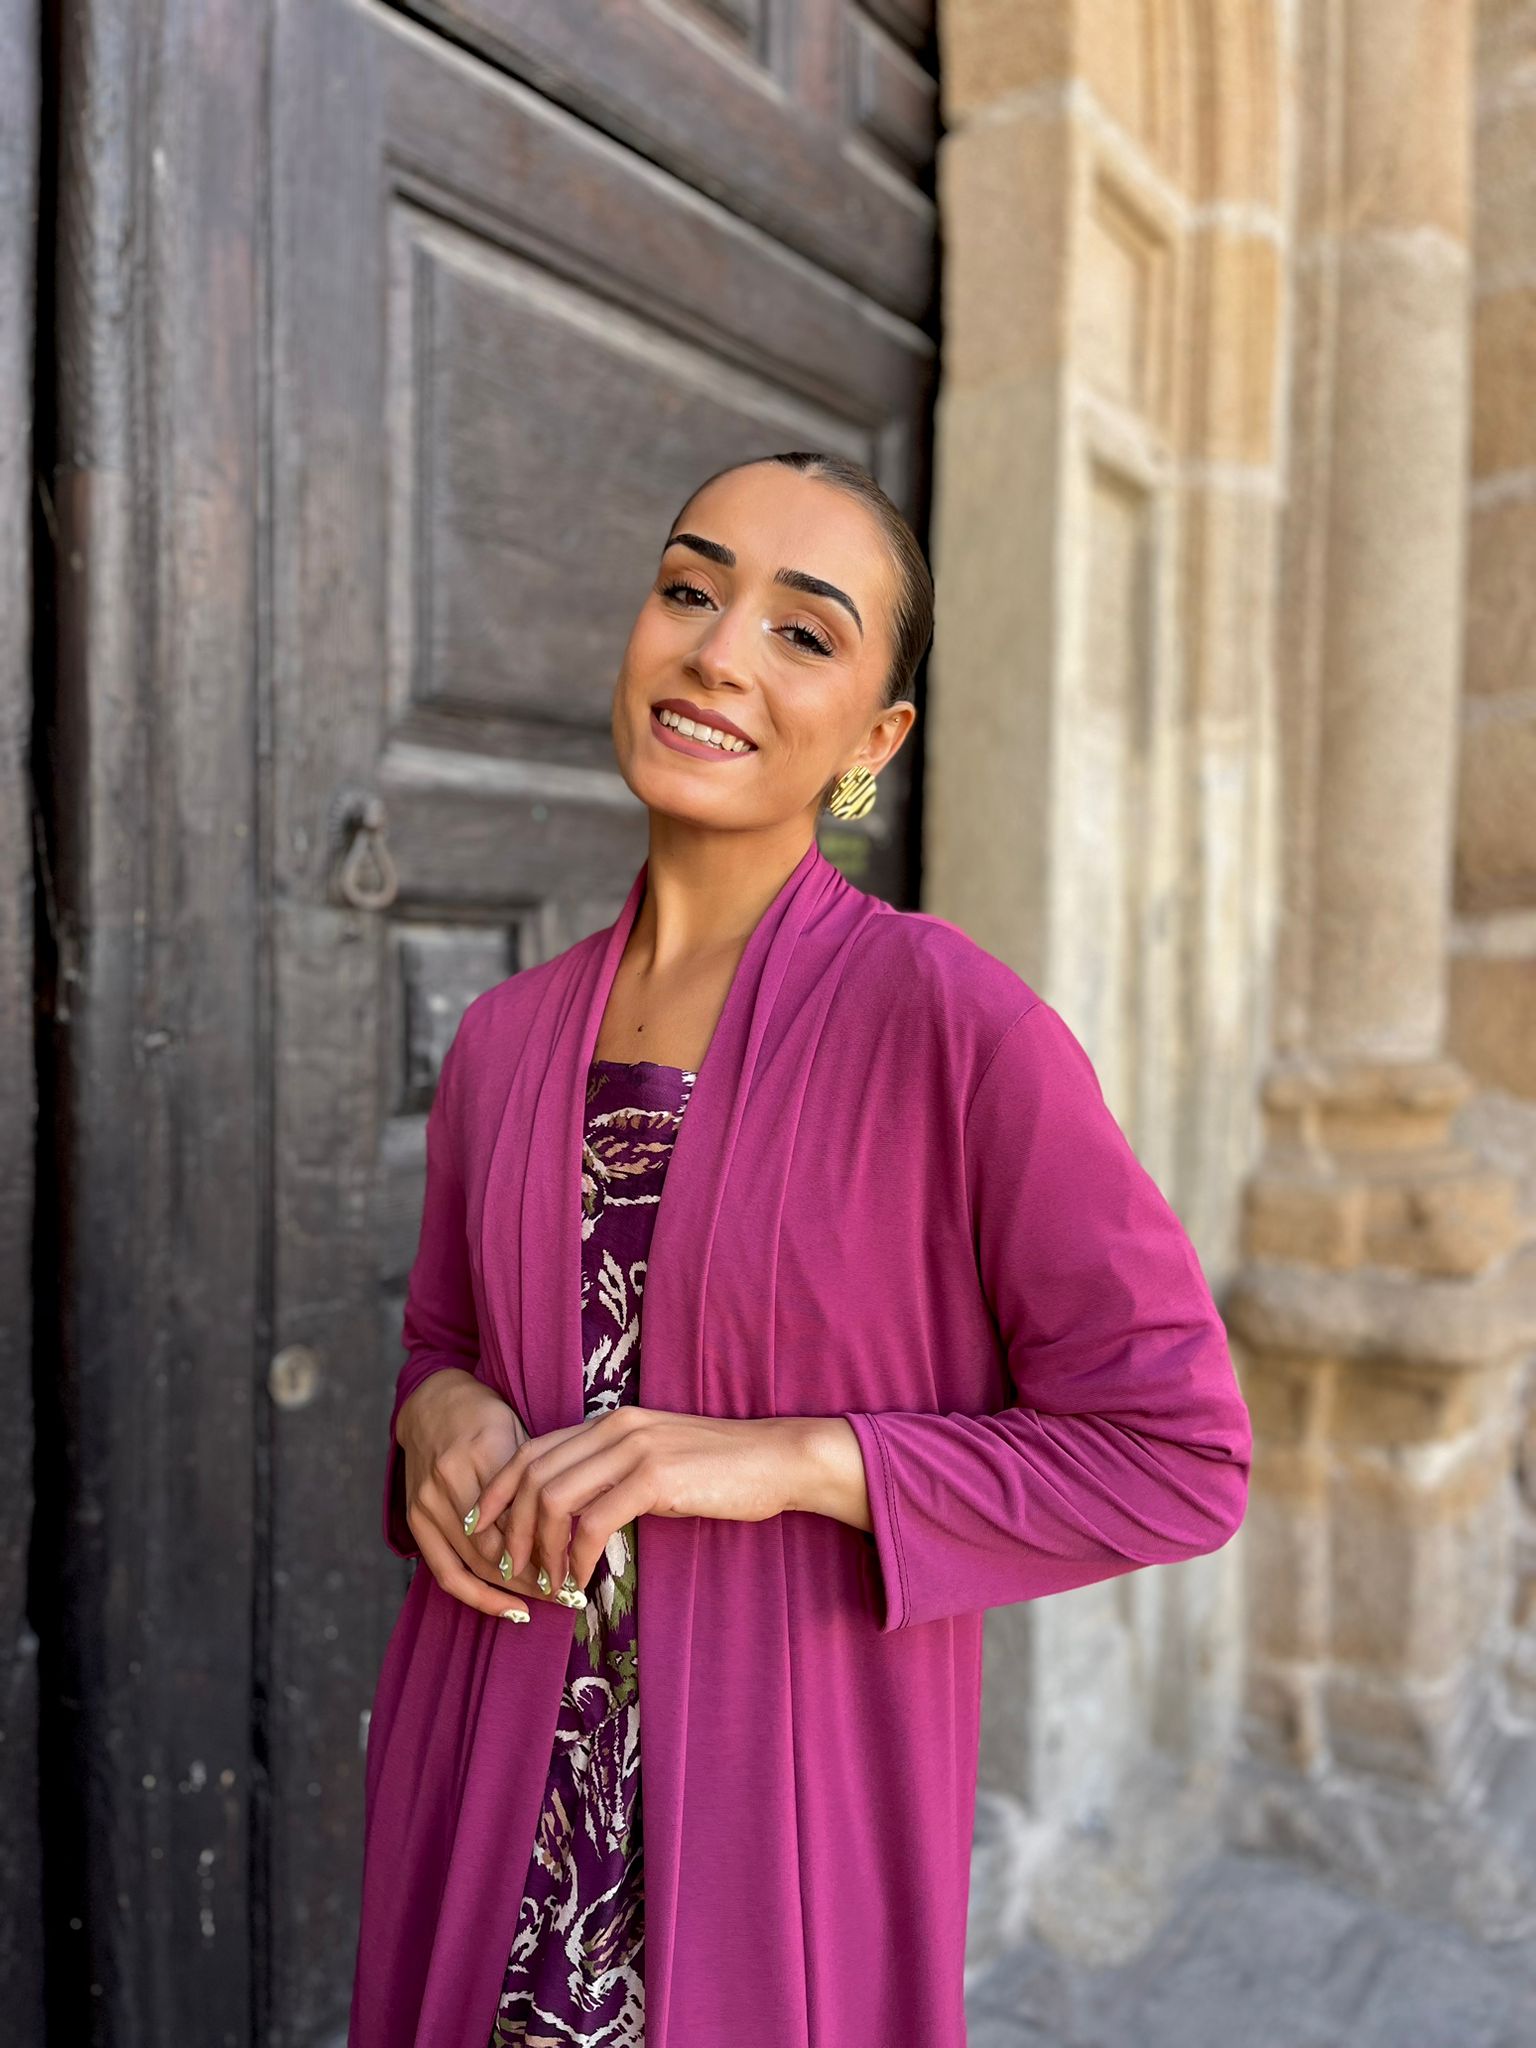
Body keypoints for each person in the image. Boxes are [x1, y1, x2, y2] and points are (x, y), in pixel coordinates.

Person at [349, 452, 1252, 2048]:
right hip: (480, 1776)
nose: (718, 652)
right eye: (689, 591)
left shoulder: (953, 1027)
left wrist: (781, 1460)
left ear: (875, 741)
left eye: (803, 632)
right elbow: (446, 1343)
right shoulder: (502, 1039)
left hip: (772, 1833)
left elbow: (1177, 1456)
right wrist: (440, 1416)